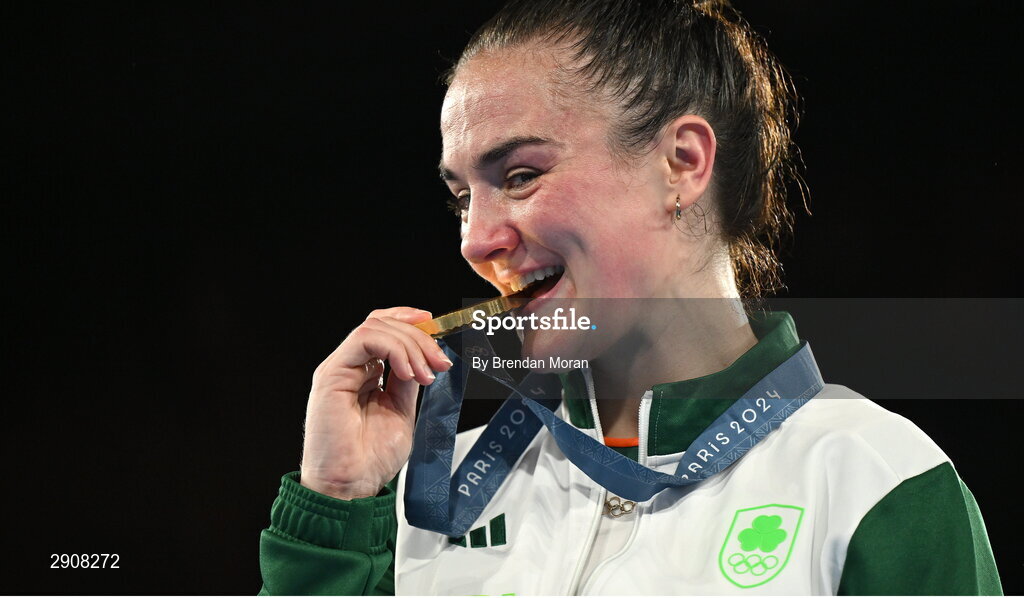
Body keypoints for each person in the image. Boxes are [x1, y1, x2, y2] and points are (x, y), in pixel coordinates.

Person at [259, 0, 1002, 594]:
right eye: (461, 198)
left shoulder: (873, 481)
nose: (476, 239)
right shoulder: (420, 502)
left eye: (518, 176)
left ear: (681, 163)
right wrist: (338, 504)